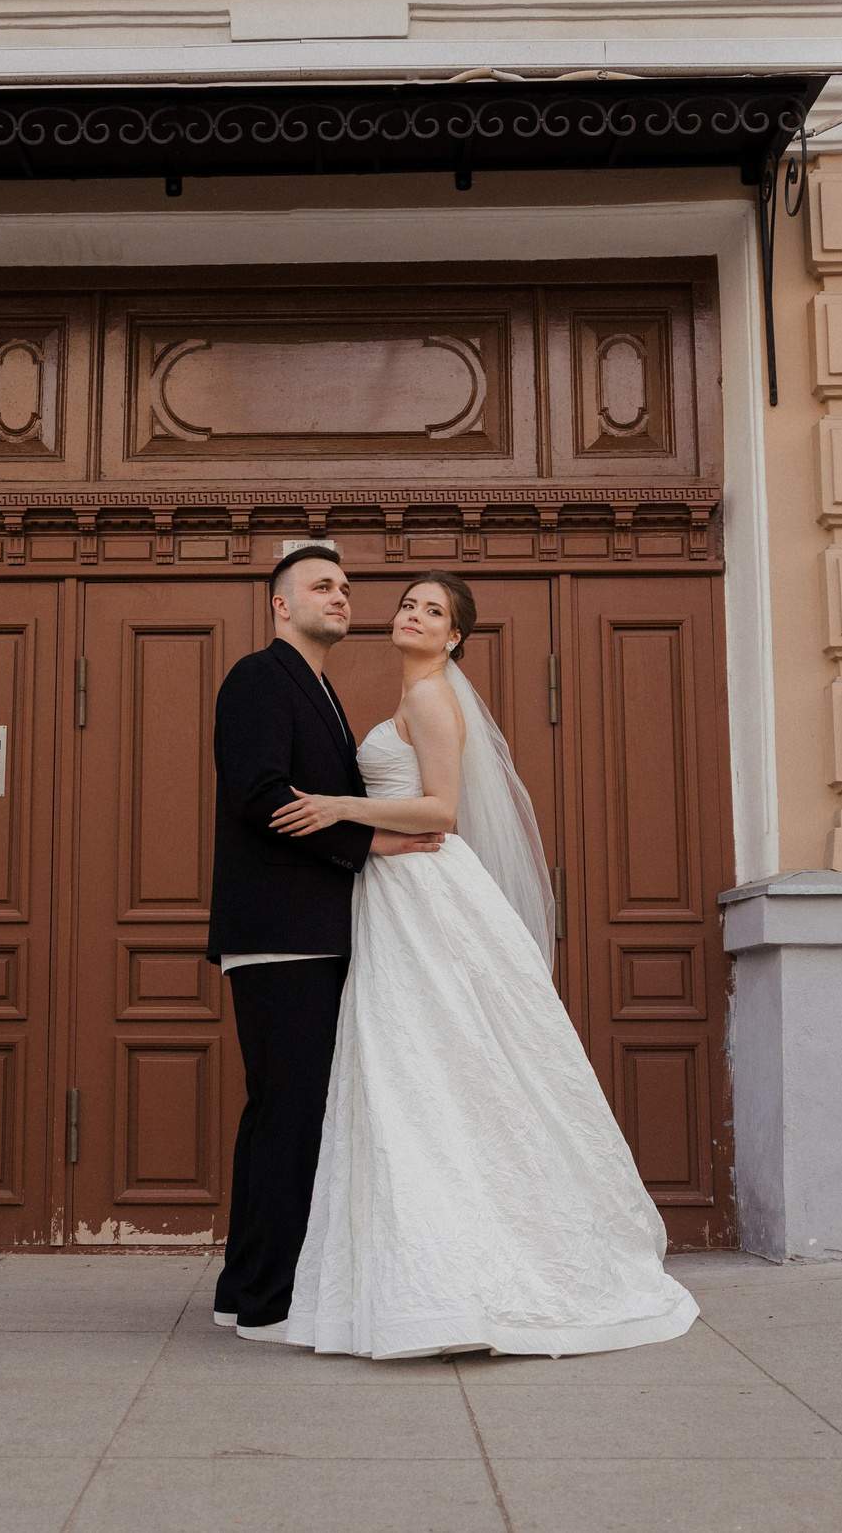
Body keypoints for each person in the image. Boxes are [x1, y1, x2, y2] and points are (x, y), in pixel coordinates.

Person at [261, 570, 700, 1358]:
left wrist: (340, 806)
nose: (414, 616)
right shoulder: (414, 693)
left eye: (434, 612)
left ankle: (468, 1273)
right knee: (423, 1069)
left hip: (424, 890)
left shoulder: (431, 697)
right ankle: (422, 1269)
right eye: (408, 604)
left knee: (430, 1063)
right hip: (397, 893)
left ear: (455, 637)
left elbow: (440, 809)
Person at [207, 545, 444, 1337]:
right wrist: (365, 844)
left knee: (280, 1112)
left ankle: (245, 1291)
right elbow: (260, 794)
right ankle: (267, 1307)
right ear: (281, 605)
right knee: (291, 1115)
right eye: (321, 587)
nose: (341, 597)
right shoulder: (256, 678)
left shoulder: (322, 690)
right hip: (279, 933)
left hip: (314, 930)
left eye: (345, 587)